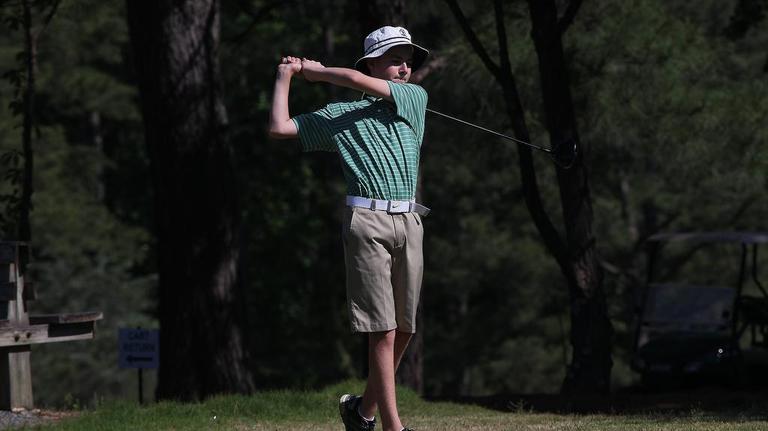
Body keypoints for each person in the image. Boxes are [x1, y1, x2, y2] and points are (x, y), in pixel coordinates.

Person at [268, 26, 430, 431]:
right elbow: (279, 127)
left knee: (405, 329)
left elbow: (354, 80)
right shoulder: (340, 116)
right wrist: (285, 77)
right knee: (383, 330)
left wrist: (317, 72)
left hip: (410, 221)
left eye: (408, 61)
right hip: (366, 223)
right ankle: (393, 426)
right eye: (394, 60)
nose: (404, 68)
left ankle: (362, 412)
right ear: (372, 64)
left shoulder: (414, 98)